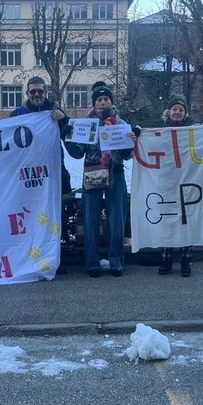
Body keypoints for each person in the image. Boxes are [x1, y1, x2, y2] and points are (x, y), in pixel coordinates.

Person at [64, 82, 136, 278]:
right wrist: (67, 138)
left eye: (106, 99)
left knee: (116, 220)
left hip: (116, 172)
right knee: (91, 220)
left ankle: (116, 261)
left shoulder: (121, 124)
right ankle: (92, 262)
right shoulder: (86, 125)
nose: (103, 102)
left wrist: (131, 141)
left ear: (111, 102)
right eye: (99, 99)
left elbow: (127, 155)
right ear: (94, 104)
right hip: (92, 172)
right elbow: (78, 154)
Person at [155, 94, 203, 277]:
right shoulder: (157, 132)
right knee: (167, 218)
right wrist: (138, 135)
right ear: (168, 112)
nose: (177, 112)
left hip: (189, 180)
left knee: (187, 218)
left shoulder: (193, 131)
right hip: (167, 180)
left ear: (185, 113)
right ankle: (166, 258)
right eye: (174, 109)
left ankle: (186, 259)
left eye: (181, 110)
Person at [10, 76, 71, 275]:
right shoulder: (17, 115)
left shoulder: (54, 113)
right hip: (28, 178)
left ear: (45, 93)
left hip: (53, 176)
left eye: (40, 91)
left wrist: (64, 121)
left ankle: (55, 258)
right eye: (33, 91)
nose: (37, 94)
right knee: (30, 219)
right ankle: (31, 258)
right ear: (27, 93)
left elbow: (70, 137)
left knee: (55, 218)